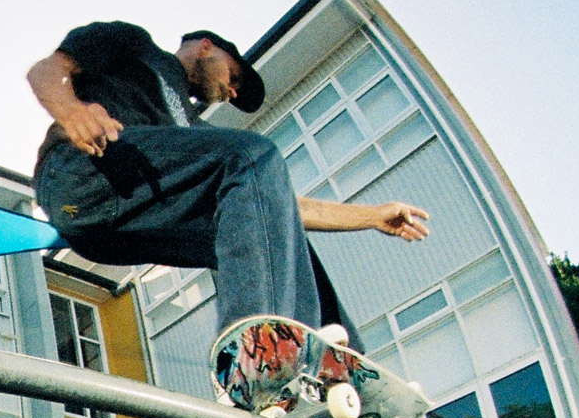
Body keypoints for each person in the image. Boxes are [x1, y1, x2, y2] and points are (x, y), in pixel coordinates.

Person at [28, 23, 429, 345]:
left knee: (276, 225)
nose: (231, 91)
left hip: (124, 225)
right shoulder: (137, 45)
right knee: (253, 153)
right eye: (233, 76)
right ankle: (253, 343)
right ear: (206, 47)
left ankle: (332, 367)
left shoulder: (194, 130)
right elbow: (47, 69)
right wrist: (72, 111)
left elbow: (272, 200)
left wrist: (371, 216)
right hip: (82, 175)